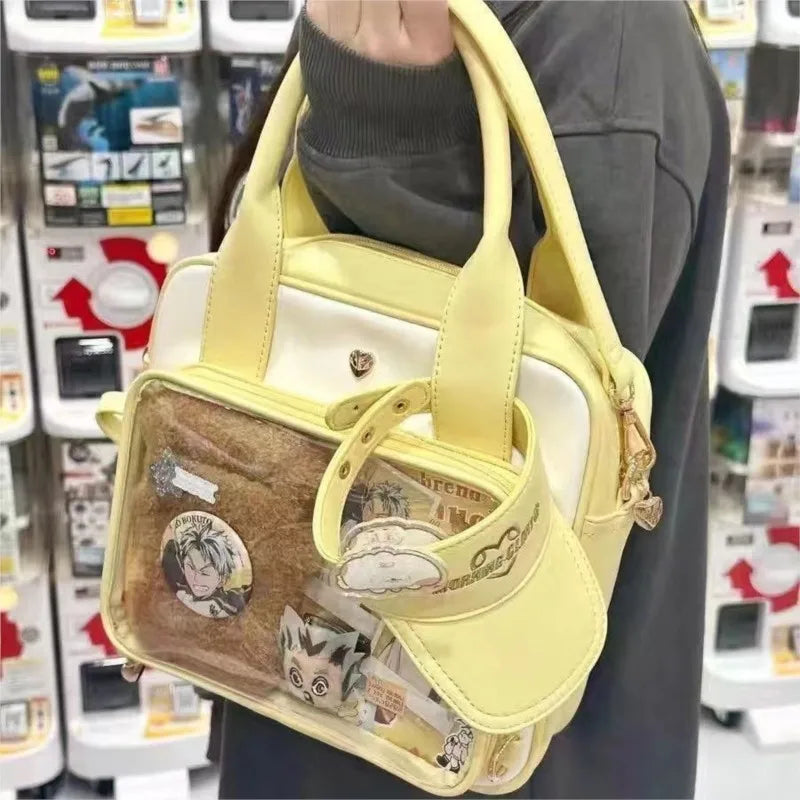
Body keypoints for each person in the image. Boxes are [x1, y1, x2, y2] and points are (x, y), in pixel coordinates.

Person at [211, 2, 730, 797]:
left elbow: (555, 449)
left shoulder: (605, 50)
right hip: (324, 688)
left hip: (463, 741)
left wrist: (389, 141)